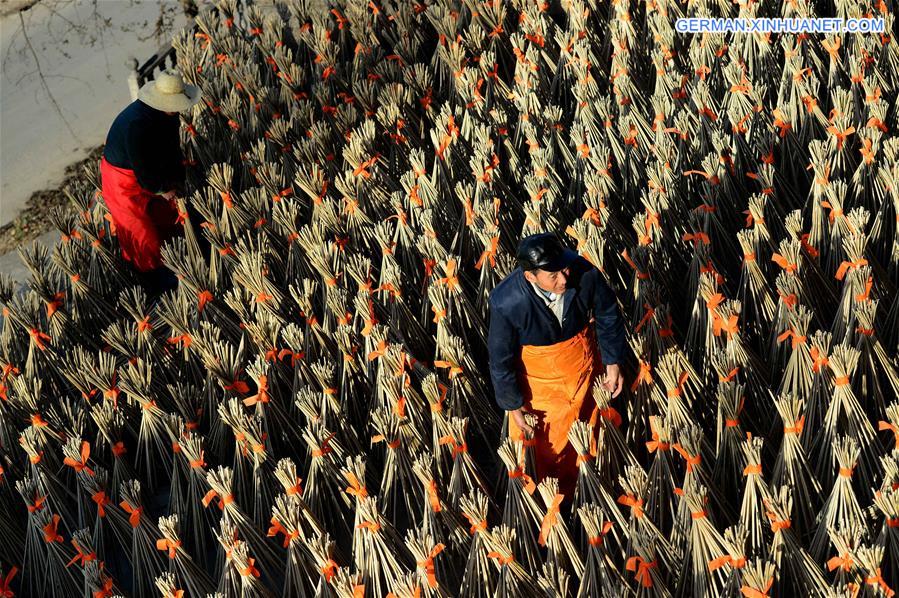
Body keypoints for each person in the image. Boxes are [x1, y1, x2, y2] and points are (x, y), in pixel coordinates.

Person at [487, 232, 627, 496]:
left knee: (590, 438)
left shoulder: (584, 274)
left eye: (564, 269)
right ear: (530, 276)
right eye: (553, 276)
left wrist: (612, 362)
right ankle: (550, 498)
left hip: (585, 376)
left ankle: (591, 490)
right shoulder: (506, 302)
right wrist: (513, 405)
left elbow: (608, 314)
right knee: (545, 451)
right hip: (540, 391)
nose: (563, 279)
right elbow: (500, 358)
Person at [100, 69, 201, 296]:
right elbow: (144, 173)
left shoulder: (169, 114)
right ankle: (159, 285)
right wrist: (163, 189)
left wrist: (178, 179)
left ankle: (176, 263)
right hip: (122, 181)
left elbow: (172, 149)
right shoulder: (137, 124)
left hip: (147, 171)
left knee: (167, 220)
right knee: (142, 235)